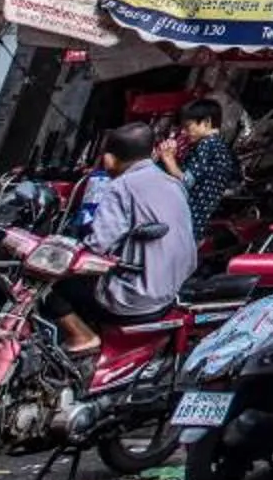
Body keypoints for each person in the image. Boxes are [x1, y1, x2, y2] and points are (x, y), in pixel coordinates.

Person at [50, 125, 195, 357]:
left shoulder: (122, 187)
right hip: (170, 291)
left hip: (135, 299)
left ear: (108, 159)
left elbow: (97, 246)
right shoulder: (172, 183)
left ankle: (82, 337)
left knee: (51, 289)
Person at [158, 99, 239, 238]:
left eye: (188, 126)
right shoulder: (220, 146)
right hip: (199, 217)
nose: (184, 132)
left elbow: (187, 181)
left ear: (206, 122)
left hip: (188, 216)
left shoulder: (207, 145)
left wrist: (168, 160)